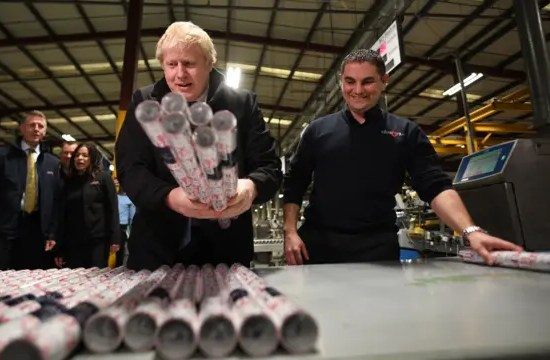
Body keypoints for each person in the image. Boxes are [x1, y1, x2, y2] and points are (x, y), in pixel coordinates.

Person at [282, 49, 522, 266]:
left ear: (384, 82)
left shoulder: (405, 133)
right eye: (349, 82)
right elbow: (294, 183)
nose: (357, 91)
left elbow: (435, 186)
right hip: (319, 245)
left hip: (377, 248)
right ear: (341, 81)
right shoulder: (317, 130)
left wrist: (471, 231)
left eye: (367, 82)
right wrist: (290, 232)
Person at [116, 21, 282, 271]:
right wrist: (169, 197)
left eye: (189, 64)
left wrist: (251, 188)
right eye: (171, 65)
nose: (180, 74)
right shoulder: (144, 102)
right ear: (162, 64)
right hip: (157, 248)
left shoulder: (241, 104)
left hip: (226, 250)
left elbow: (269, 166)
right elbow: (131, 168)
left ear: (208, 63)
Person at [0, 111, 60, 270]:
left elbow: (55, 201)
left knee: (26, 279)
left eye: (40, 126)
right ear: (21, 128)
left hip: (35, 231)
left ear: (45, 132)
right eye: (31, 125)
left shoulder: (52, 163)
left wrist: (52, 233)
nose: (36, 129)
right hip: (2, 229)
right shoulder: (2, 155)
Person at [55, 143, 121, 268]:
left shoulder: (103, 178)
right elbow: (63, 215)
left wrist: (115, 239)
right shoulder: (68, 182)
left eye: (85, 155)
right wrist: (60, 248)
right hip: (73, 241)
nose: (80, 158)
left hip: (98, 241)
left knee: (95, 277)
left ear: (92, 158)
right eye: (77, 155)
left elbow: (112, 209)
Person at [116, 191, 135, 266]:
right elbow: (131, 216)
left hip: (118, 225)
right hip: (124, 226)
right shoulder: (129, 199)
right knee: (124, 248)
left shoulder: (115, 197)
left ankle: (117, 265)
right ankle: (121, 265)